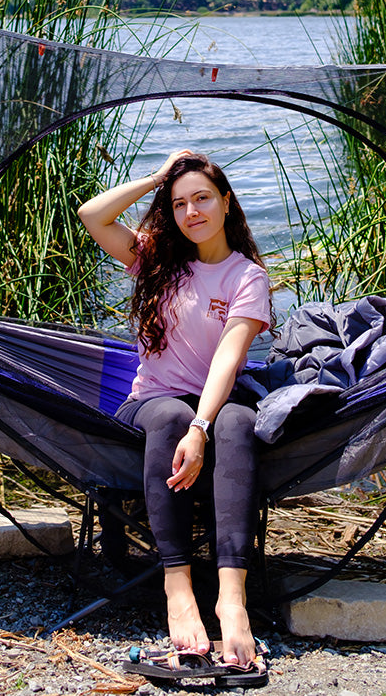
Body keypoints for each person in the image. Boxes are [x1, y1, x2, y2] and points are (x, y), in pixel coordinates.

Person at [77, 148, 273, 669]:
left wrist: (202, 427)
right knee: (170, 416)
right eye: (180, 202)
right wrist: (158, 176)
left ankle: (232, 599)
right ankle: (178, 586)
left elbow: (228, 362)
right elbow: (92, 215)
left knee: (237, 420)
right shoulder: (153, 259)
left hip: (214, 402)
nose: (192, 212)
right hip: (151, 404)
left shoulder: (246, 277)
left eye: (203, 198)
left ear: (227, 202)